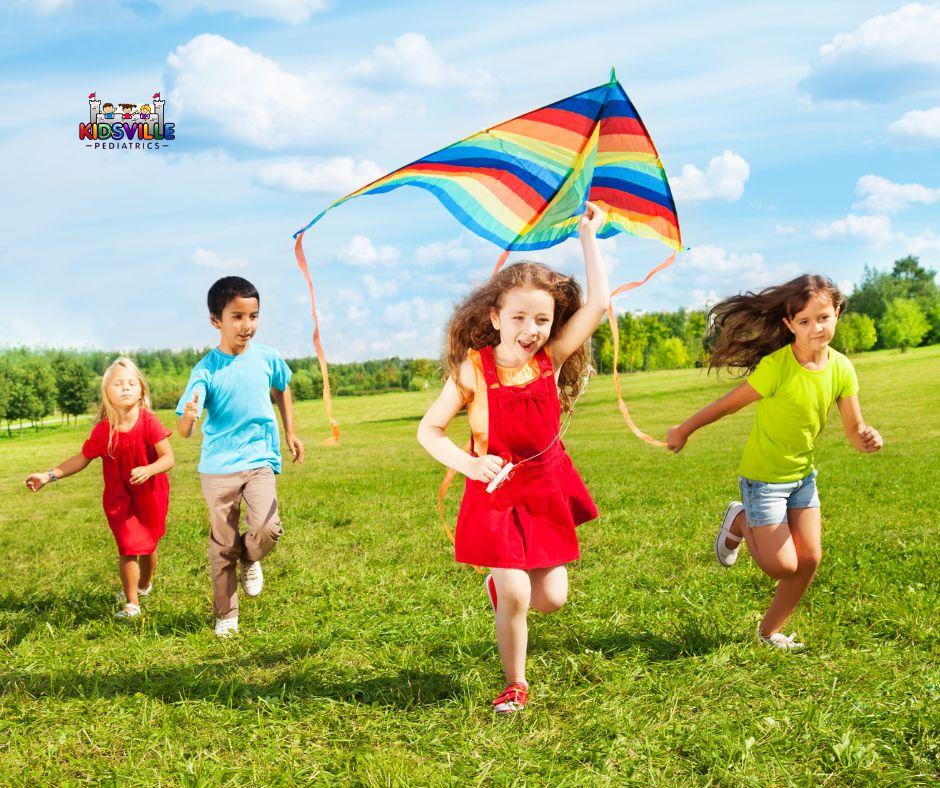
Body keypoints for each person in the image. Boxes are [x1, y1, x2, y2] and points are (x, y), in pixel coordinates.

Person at [417, 202, 610, 714]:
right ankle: (515, 684)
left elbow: (597, 306)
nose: (531, 327)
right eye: (519, 316)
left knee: (551, 599)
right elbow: (429, 430)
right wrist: (468, 463)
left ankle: (497, 590)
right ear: (496, 317)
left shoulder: (552, 358)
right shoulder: (472, 370)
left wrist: (589, 237)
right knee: (518, 596)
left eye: (542, 318)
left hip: (547, 487)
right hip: (496, 493)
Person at [666, 275, 883, 650]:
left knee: (809, 559)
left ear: (838, 313)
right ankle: (740, 518)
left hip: (802, 478)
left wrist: (866, 437)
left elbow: (853, 427)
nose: (816, 327)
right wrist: (684, 429)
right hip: (764, 481)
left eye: (823, 317)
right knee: (780, 566)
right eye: (803, 321)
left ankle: (769, 632)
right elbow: (727, 404)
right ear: (788, 325)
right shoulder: (777, 366)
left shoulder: (842, 368)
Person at [176, 276, 303, 637]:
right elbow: (185, 430)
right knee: (222, 544)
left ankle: (250, 556)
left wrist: (290, 432)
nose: (247, 325)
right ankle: (226, 614)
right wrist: (188, 417)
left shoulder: (268, 357)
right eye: (237, 316)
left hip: (260, 459)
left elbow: (283, 389)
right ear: (216, 321)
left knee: (267, 527)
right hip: (218, 469)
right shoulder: (205, 370)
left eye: (253, 315)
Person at [25, 357, 173, 619]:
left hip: (150, 494)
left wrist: (149, 469)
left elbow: (168, 459)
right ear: (107, 393)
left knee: (148, 547)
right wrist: (49, 475)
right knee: (128, 546)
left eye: (131, 382)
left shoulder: (149, 422)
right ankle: (132, 603)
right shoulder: (104, 430)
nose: (125, 387)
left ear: (141, 390)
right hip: (119, 499)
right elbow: (81, 458)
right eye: (117, 384)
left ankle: (144, 584)